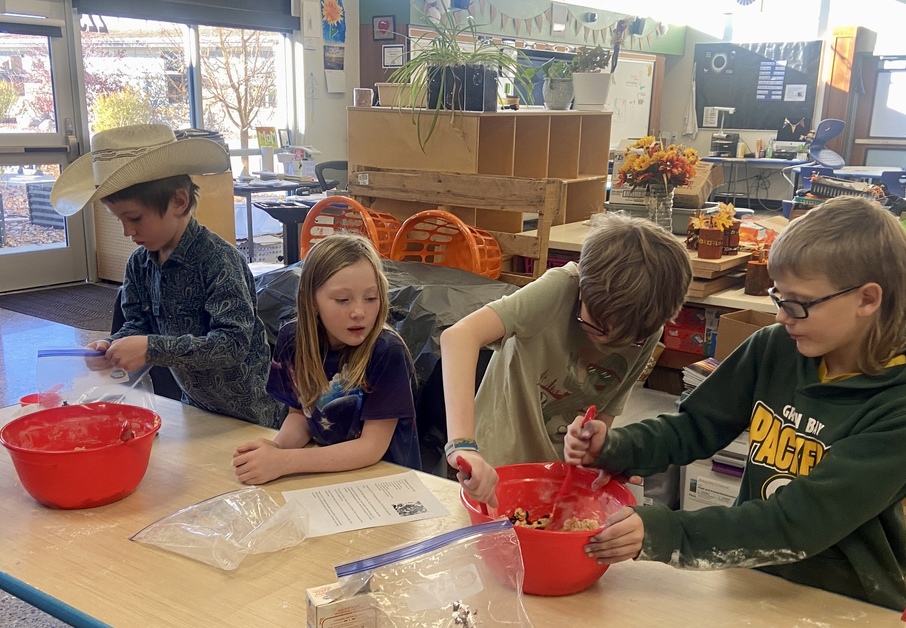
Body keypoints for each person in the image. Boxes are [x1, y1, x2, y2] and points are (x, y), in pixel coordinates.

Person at [563, 195, 906, 611]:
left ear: (867, 299)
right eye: (778, 298)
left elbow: (797, 524)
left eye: (798, 303)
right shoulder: (777, 348)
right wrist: (618, 446)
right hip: (751, 574)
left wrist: (667, 532)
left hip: (845, 598)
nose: (783, 316)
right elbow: (695, 427)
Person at [441, 212, 693, 507]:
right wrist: (462, 445)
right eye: (594, 326)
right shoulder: (561, 289)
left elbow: (605, 412)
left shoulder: (646, 328)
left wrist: (600, 453)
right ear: (582, 288)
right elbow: (458, 337)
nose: (608, 343)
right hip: (493, 469)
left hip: (558, 482)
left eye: (626, 340)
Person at [49, 123, 284, 428]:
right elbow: (138, 324)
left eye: (134, 218)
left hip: (253, 415)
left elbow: (232, 345)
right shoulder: (139, 264)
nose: (127, 231)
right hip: (195, 407)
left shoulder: (220, 260)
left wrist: (150, 348)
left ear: (179, 201)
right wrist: (111, 345)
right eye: (119, 219)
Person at [232, 233, 420, 485]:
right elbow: (301, 415)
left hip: (385, 482)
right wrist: (276, 449)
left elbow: (371, 448)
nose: (359, 312)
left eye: (371, 298)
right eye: (342, 300)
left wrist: (285, 461)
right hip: (328, 475)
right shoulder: (293, 339)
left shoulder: (387, 351)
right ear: (312, 300)